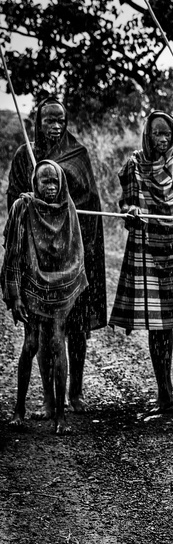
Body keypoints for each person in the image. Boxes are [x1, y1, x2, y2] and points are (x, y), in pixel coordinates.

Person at [7, 97, 107, 418]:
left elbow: (90, 198)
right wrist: (28, 201)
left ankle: (75, 392)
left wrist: (61, 191)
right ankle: (50, 400)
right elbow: (14, 202)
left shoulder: (76, 155)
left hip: (72, 254)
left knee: (75, 327)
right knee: (40, 334)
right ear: (39, 123)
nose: (55, 126)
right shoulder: (26, 155)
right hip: (36, 257)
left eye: (60, 120)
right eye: (49, 120)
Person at [109, 111, 173, 415]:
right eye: (157, 134)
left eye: (168, 134)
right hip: (150, 251)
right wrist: (131, 213)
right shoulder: (135, 164)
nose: (163, 139)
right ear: (148, 135)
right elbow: (128, 204)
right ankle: (163, 390)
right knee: (158, 326)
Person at [2, 160, 88, 434]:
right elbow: (13, 255)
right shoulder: (23, 208)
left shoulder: (67, 208)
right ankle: (18, 409)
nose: (50, 188)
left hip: (59, 289)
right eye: (44, 182)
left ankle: (60, 417)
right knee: (30, 344)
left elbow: (75, 251)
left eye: (54, 182)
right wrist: (14, 296)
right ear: (34, 184)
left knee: (57, 343)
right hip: (31, 288)